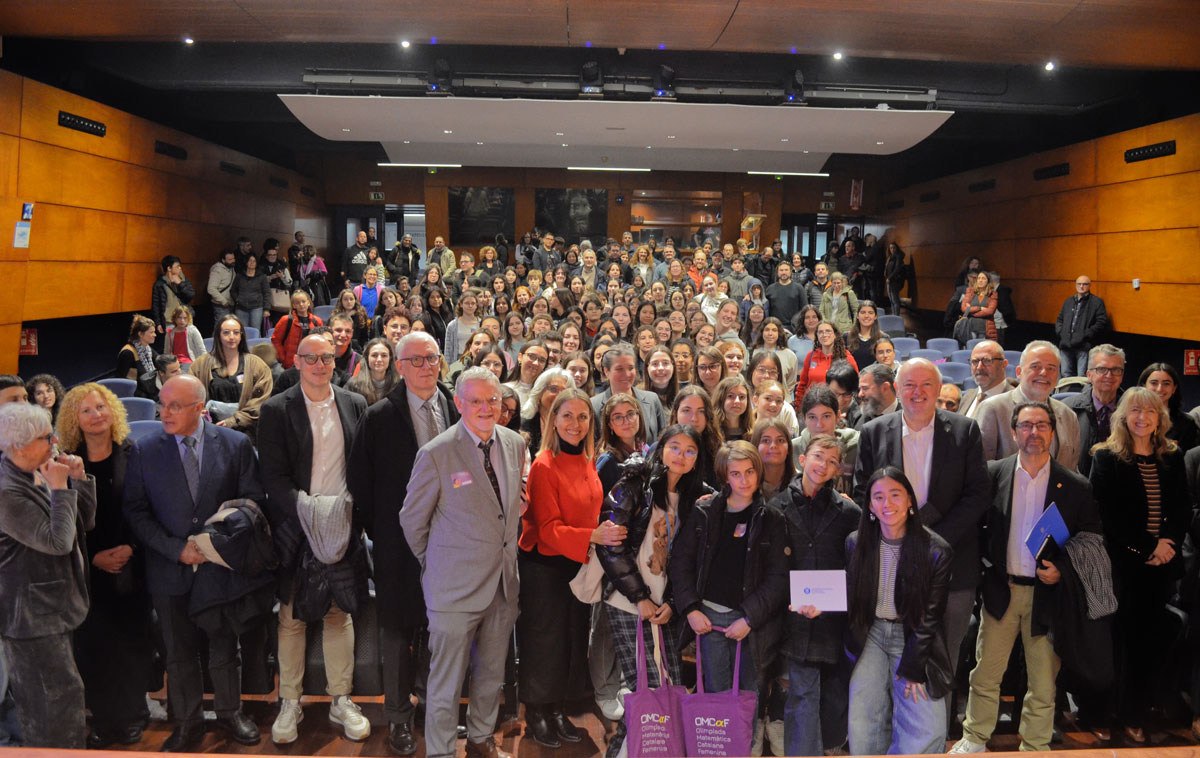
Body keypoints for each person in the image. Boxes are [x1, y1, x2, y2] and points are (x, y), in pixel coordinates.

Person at [950, 401, 1104, 754]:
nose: (1033, 432)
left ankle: (1035, 745)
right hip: (1002, 591)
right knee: (986, 674)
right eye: (1026, 425)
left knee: (1043, 681)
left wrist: (1062, 570)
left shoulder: (1075, 485)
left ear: (1053, 431)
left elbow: (1091, 539)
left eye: (1041, 425)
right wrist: (987, 574)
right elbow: (975, 530)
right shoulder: (993, 474)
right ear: (1014, 431)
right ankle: (975, 737)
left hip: (1048, 596)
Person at [122, 374, 265, 751]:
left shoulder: (235, 444)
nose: (163, 412)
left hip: (220, 565)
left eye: (174, 406)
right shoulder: (145, 449)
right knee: (178, 652)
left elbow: (250, 502)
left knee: (224, 648)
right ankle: (188, 722)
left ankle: (231, 713)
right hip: (170, 568)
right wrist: (176, 549)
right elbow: (136, 512)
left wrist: (213, 543)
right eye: (161, 404)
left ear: (200, 409)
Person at [401, 367, 527, 758]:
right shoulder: (436, 452)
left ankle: (480, 739)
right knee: (446, 681)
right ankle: (439, 752)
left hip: (503, 584)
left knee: (491, 674)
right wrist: (437, 562)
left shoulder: (514, 443)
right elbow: (411, 520)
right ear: (458, 404)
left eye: (492, 400)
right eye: (476, 400)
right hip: (452, 589)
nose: (486, 408)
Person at [348, 331, 457, 755]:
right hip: (397, 545)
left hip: (448, 544)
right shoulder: (377, 417)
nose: (426, 366)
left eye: (431, 358)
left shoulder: (453, 405)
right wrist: (386, 532)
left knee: (438, 630)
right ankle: (398, 719)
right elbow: (361, 481)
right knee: (396, 634)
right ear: (399, 366)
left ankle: (432, 707)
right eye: (415, 360)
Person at [258, 334, 371, 744]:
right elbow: (272, 476)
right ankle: (290, 702)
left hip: (341, 526)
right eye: (311, 358)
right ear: (297, 360)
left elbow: (361, 467)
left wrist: (345, 516)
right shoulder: (275, 409)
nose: (320, 364)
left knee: (339, 613)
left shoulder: (354, 403)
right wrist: (307, 513)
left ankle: (341, 699)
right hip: (296, 524)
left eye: (326, 357)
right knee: (290, 618)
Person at [854, 359, 989, 697]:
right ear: (897, 389)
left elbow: (978, 494)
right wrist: (897, 531)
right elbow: (862, 492)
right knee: (892, 661)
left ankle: (933, 742)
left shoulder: (965, 430)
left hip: (954, 563)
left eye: (926, 385)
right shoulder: (874, 431)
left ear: (938, 389)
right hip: (889, 566)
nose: (918, 392)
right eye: (909, 385)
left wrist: (931, 537)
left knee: (942, 661)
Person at [597, 424, 716, 758]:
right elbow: (611, 547)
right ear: (661, 447)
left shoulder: (701, 497)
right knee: (644, 689)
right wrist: (640, 598)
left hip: (667, 607)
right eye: (674, 446)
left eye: (690, 450)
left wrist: (676, 603)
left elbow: (695, 563)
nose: (681, 455)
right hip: (626, 600)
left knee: (670, 689)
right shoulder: (634, 483)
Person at [519, 388, 622, 747]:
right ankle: (536, 711)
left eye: (582, 417)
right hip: (545, 564)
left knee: (570, 642)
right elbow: (547, 531)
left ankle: (557, 707)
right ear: (553, 421)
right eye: (567, 416)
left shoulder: (589, 461)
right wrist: (593, 536)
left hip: (577, 563)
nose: (575, 424)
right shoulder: (544, 465)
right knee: (544, 642)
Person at [1089, 387, 1189, 743]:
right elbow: (1107, 516)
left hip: (1160, 567)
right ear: (1123, 417)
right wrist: (1146, 547)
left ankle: (1137, 712)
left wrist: (1168, 546)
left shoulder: (1172, 456)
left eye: (1150, 412)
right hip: (1121, 565)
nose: (1142, 418)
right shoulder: (1106, 458)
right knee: (1118, 642)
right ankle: (1107, 713)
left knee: (1148, 643)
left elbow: (1180, 510)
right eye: (1135, 412)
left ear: (1160, 418)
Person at [55, 384, 153, 749]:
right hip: (86, 569)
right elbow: (66, 520)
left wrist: (130, 547)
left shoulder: (137, 453)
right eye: (86, 410)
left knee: (132, 645)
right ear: (74, 420)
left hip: (132, 562)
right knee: (94, 649)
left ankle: (132, 717)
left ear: (112, 410)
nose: (96, 415)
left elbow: (148, 508)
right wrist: (94, 556)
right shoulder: (65, 462)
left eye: (101, 407)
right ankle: (104, 719)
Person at [0, 402, 95, 748]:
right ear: (18, 446)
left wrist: (78, 481)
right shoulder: (6, 492)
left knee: (64, 698)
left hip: (52, 610)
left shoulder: (31, 471)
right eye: (45, 437)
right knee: (52, 707)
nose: (54, 440)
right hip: (29, 620)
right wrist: (59, 489)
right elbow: (58, 542)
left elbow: (83, 526)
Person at [844, 467, 953, 754]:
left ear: (909, 501)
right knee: (863, 716)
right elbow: (850, 601)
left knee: (926, 726)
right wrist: (817, 607)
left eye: (895, 495)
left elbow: (929, 618)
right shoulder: (856, 543)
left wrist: (914, 668)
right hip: (871, 634)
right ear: (869, 505)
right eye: (878, 497)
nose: (887, 504)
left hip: (913, 636)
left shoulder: (936, 550)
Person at [671, 440, 788, 706]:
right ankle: (719, 746)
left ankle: (747, 743)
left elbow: (778, 578)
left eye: (750, 472)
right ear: (725, 476)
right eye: (735, 474)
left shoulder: (772, 518)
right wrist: (690, 609)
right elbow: (681, 563)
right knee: (716, 689)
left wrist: (749, 619)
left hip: (751, 621)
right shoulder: (705, 511)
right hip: (709, 617)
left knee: (750, 690)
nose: (744, 480)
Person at [771, 433, 858, 755]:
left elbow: (858, 566)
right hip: (793, 617)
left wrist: (836, 599)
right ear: (802, 459)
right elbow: (771, 566)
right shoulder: (776, 507)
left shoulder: (849, 513)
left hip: (835, 619)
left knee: (834, 695)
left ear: (838, 470)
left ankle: (830, 747)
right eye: (819, 456)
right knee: (803, 693)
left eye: (833, 461)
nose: (824, 465)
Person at [976, 340, 1081, 470]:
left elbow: (1072, 469)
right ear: (1019, 372)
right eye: (1035, 367)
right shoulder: (993, 409)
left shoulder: (1068, 416)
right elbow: (980, 468)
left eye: (1051, 368)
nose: (1044, 373)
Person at [190, 315, 274, 442]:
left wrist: (234, 420)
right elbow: (189, 393)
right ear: (218, 335)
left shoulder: (257, 365)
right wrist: (196, 412)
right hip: (211, 431)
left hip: (247, 431)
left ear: (241, 335)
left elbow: (261, 401)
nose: (231, 337)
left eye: (236, 332)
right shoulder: (201, 364)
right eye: (226, 332)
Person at [1063, 343, 1125, 476]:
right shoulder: (1067, 410)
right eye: (1102, 369)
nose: (1109, 375)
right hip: (1077, 484)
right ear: (1089, 375)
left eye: (1116, 370)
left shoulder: (1131, 411)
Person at [591, 344, 668, 442]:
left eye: (631, 368)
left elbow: (663, 440)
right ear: (607, 371)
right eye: (619, 369)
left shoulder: (652, 399)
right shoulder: (594, 406)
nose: (627, 374)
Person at [1055, 276, 1109, 377]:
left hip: (1083, 345)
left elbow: (1101, 322)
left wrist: (1085, 335)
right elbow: (1060, 319)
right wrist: (1061, 333)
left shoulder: (1096, 302)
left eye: (1085, 284)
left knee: (1082, 375)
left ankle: (1082, 393)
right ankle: (1066, 393)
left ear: (1090, 285)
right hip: (1065, 344)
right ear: (1075, 285)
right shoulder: (1068, 301)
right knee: (1065, 374)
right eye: (1079, 284)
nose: (1081, 286)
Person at [1140, 361, 1200, 452]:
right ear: (1144, 386)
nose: (1159, 389)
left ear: (1174, 388)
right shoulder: (1132, 418)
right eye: (1154, 383)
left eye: (1166, 383)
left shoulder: (1186, 423)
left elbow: (1189, 461)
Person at [794, 320, 858, 401]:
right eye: (820, 332)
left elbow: (856, 385)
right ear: (817, 336)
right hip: (812, 406)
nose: (824, 335)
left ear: (835, 335)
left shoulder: (846, 357)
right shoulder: (810, 356)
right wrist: (798, 408)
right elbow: (802, 385)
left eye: (828, 331)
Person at [520, 367, 573, 454]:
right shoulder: (523, 425)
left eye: (564, 391)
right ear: (539, 392)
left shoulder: (572, 426)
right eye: (553, 389)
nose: (559, 395)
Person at [958, 340, 1011, 419]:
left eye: (987, 361)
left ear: (1004, 364)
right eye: (975, 361)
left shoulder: (1015, 401)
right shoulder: (967, 396)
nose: (979, 367)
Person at [271, 290, 324, 369]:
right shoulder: (286, 320)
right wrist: (283, 358)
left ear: (308, 303)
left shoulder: (317, 321)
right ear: (294, 305)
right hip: (290, 364)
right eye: (297, 303)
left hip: (311, 363)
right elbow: (276, 340)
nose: (301, 304)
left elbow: (322, 342)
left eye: (303, 301)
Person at [151, 255, 195, 346]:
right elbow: (156, 305)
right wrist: (158, 323)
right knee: (172, 346)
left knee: (188, 345)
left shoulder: (184, 280)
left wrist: (180, 284)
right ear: (169, 268)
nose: (180, 268)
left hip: (185, 319)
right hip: (169, 320)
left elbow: (190, 296)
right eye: (177, 266)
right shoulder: (159, 284)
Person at [117, 314, 159, 393]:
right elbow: (120, 380)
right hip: (136, 395)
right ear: (140, 334)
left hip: (149, 391)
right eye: (151, 332)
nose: (155, 335)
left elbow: (160, 362)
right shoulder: (128, 353)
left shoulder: (148, 349)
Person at [232, 253, 271, 332]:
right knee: (242, 331)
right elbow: (233, 290)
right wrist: (237, 299)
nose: (252, 263)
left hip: (257, 307)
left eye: (254, 261)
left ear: (256, 263)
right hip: (241, 308)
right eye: (250, 260)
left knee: (255, 330)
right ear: (246, 262)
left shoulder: (262, 276)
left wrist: (266, 309)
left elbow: (267, 293)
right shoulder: (239, 276)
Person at [856, 363, 898, 428]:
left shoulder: (909, 417)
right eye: (860, 389)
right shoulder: (858, 418)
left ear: (885, 388)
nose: (860, 394)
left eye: (865, 388)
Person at [714, 375, 754, 442]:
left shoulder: (753, 432)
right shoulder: (711, 431)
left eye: (742, 397)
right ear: (721, 399)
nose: (737, 401)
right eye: (730, 396)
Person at [766, 262, 808, 327]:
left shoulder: (799, 288)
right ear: (777, 272)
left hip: (794, 327)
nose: (783, 272)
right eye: (781, 270)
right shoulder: (770, 288)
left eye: (786, 270)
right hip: (775, 326)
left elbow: (804, 308)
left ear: (790, 272)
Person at [164, 305, 206, 370]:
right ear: (175, 318)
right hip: (174, 361)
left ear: (188, 318)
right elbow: (166, 352)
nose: (182, 320)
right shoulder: (170, 332)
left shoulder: (192, 330)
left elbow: (201, 349)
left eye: (185, 318)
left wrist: (204, 365)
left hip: (188, 361)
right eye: (179, 318)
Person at [845, 301, 882, 369]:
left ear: (875, 316)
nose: (866, 316)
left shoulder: (882, 338)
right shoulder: (846, 337)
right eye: (863, 312)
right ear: (857, 316)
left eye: (870, 313)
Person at [208, 249, 238, 330]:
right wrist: (223, 301)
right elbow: (211, 289)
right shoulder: (217, 270)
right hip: (221, 304)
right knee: (220, 327)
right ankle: (215, 342)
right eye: (230, 260)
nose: (233, 261)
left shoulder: (231, 268)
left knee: (226, 327)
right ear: (223, 260)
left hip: (230, 303)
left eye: (233, 259)